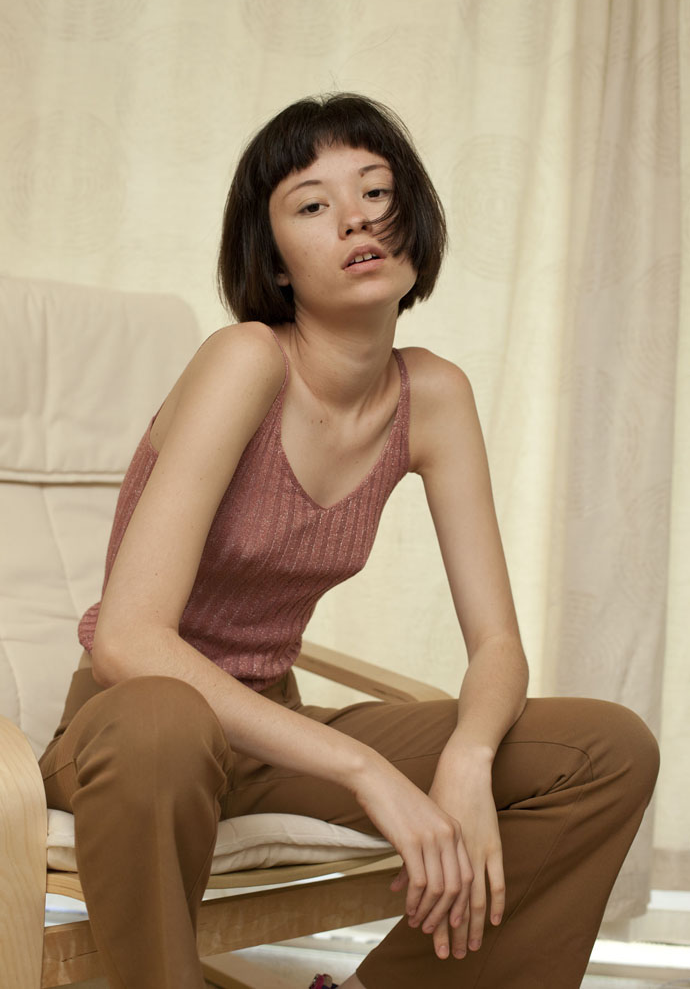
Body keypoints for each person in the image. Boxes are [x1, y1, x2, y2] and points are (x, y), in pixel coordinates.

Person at [38, 93, 659, 989]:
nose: (357, 219)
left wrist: (469, 757)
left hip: (271, 734)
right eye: (312, 204)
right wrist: (368, 770)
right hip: (134, 731)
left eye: (376, 191)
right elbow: (131, 642)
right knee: (164, 720)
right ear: (274, 261)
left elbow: (497, 645)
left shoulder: (433, 396)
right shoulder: (245, 359)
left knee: (606, 750)